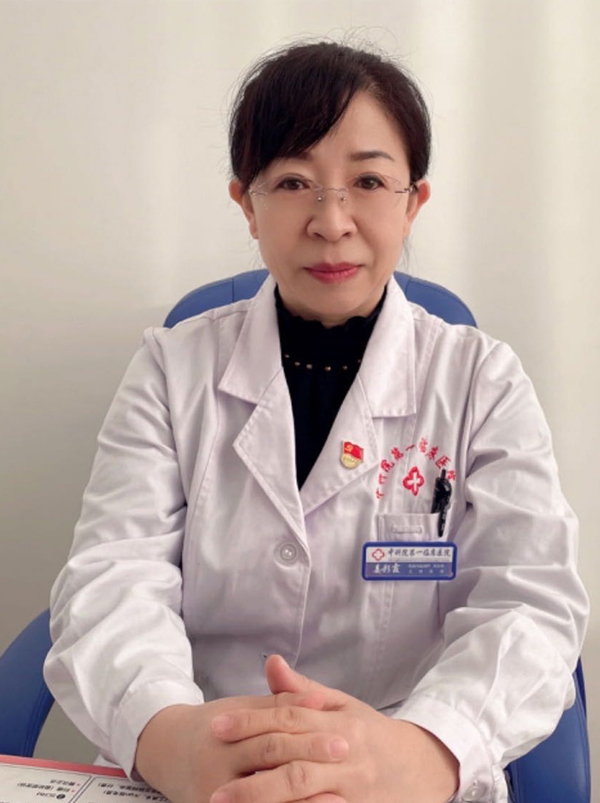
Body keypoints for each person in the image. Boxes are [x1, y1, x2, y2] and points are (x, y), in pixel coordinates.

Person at [44, 40, 588, 803]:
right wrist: (169, 735)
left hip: (403, 764)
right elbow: (111, 580)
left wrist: (426, 750)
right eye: (294, 182)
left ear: (412, 201)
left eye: (367, 180)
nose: (331, 222)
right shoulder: (171, 368)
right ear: (247, 203)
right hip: (205, 760)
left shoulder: (481, 380)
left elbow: (530, 603)